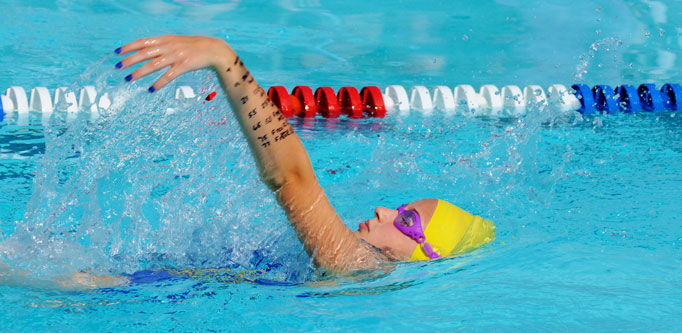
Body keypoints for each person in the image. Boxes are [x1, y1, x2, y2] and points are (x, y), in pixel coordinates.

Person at [114, 35, 495, 275]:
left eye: (406, 218)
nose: (384, 211)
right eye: (400, 207)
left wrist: (224, 60)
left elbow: (290, 179)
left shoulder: (359, 268)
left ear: (424, 254)